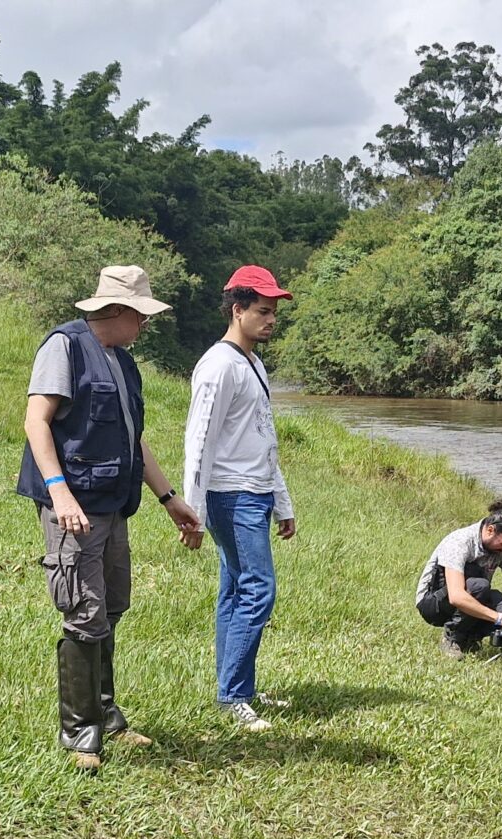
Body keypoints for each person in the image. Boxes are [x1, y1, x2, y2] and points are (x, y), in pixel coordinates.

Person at [17, 264, 204, 772]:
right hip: (74, 506)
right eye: (142, 317)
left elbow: (131, 437)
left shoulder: (123, 362)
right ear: (119, 311)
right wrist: (60, 495)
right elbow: (37, 420)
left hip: (112, 503)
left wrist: (169, 498)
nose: (145, 327)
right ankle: (80, 734)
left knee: (111, 605)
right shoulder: (64, 347)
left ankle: (106, 715)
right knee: (83, 607)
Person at [184, 266, 297, 732]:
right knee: (258, 590)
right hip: (231, 496)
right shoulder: (219, 366)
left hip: (255, 493)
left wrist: (282, 501)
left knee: (236, 590)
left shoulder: (252, 361)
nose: (271, 320)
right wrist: (191, 511)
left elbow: (264, 438)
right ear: (238, 310)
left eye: (275, 313)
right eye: (263, 311)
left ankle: (239, 689)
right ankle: (233, 696)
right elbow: (200, 439)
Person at [416, 500, 502, 657]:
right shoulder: (460, 541)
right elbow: (456, 596)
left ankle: (470, 639)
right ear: (490, 530)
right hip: (432, 603)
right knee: (479, 586)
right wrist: (500, 618)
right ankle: (452, 638)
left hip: (472, 595)